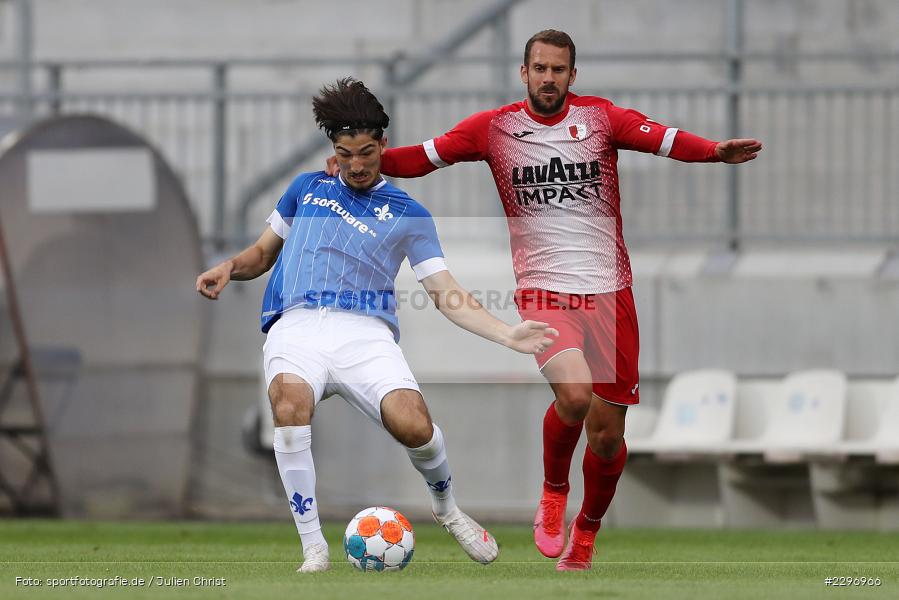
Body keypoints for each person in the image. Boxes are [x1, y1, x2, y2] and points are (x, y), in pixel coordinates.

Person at [327, 30, 762, 571]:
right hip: (544, 290)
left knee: (606, 439)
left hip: (609, 293)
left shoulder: (601, 119)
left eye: (559, 69)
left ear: (572, 76)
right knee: (574, 397)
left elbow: (665, 139)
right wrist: (360, 164)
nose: (549, 78)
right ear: (524, 72)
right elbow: (423, 157)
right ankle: (554, 493)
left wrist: (714, 153)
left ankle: (586, 533)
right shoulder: (494, 128)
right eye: (540, 68)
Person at [196, 78, 557, 573]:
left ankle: (447, 509)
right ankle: (314, 549)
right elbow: (262, 254)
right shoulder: (306, 189)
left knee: (416, 426)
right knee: (288, 405)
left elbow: (445, 291)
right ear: (334, 152)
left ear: (384, 145)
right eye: (346, 154)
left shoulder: (409, 213)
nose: (358, 164)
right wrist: (228, 267)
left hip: (365, 334)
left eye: (367, 151)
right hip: (298, 326)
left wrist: (505, 332)